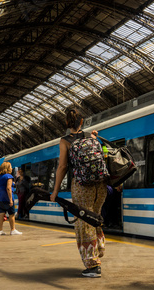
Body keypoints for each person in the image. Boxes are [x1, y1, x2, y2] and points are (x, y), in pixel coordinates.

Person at [50, 108, 107, 278]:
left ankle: (92, 265)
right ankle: (100, 248)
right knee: (95, 217)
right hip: (100, 184)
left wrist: (55, 191)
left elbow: (62, 167)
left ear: (67, 123)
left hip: (81, 185)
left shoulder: (65, 141)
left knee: (84, 222)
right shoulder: (92, 136)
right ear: (81, 121)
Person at [0, 161, 22, 236]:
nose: (12, 168)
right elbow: (8, 188)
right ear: (7, 168)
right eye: (10, 167)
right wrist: (10, 200)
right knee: (12, 214)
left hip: (0, 198)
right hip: (7, 198)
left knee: (1, 214)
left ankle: (0, 231)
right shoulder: (9, 177)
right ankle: (13, 230)